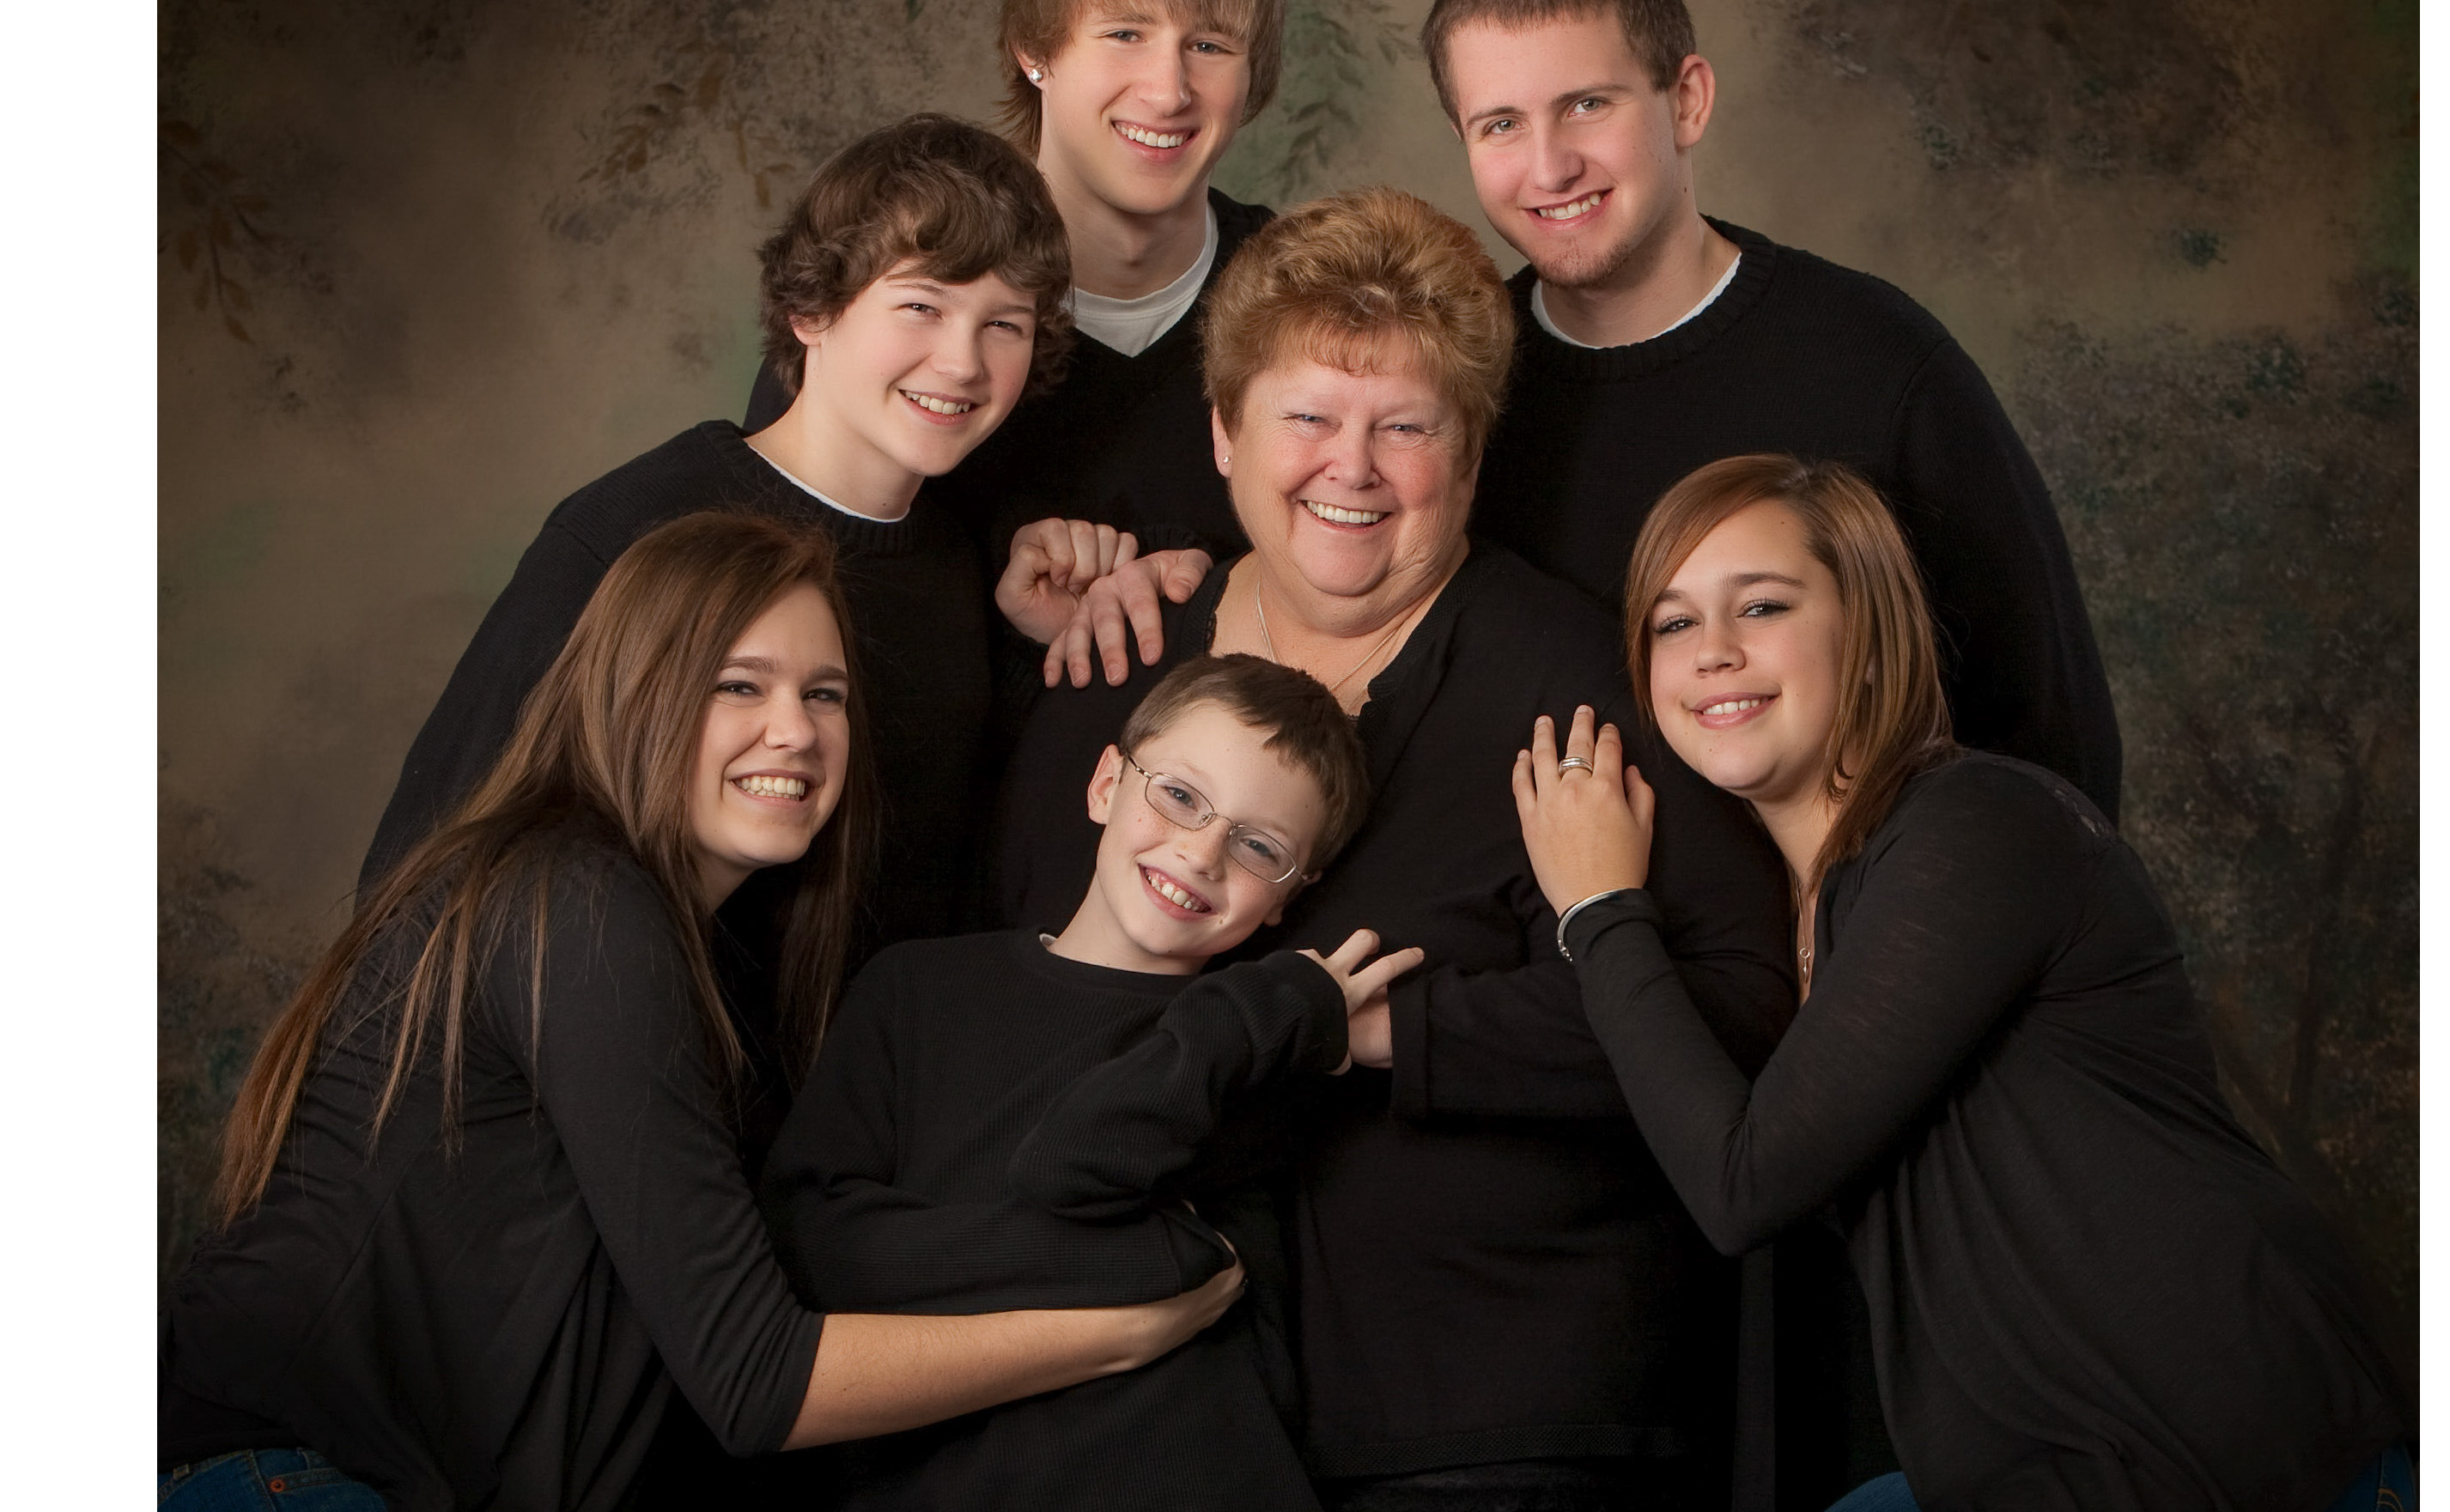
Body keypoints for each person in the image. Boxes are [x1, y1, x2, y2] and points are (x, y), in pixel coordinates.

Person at [161, 513, 1242, 1512]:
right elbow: (756, 1375)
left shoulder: (709, 965)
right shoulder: (571, 902)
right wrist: (1117, 1332)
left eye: (825, 695)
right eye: (740, 684)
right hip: (275, 1476)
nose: (796, 730)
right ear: (637, 692)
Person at [990, 188, 1796, 1510]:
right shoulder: (1118, 664)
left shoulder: (1580, 684)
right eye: (1306, 417)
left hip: (1488, 1406)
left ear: (1471, 458)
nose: (1349, 470)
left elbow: (1738, 1002)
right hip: (1137, 1396)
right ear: (1225, 434)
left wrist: (1367, 1030)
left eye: (1405, 428)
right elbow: (1013, 975)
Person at [1511, 455, 2413, 1512]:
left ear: (1866, 626)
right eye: (1672, 623)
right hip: (2044, 1466)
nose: (1713, 651)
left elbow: (1742, 1181)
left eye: (1762, 605)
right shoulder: (1815, 901)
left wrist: (1599, 910)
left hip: (2236, 1436)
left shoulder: (1974, 828)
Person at [1416, 0, 2122, 825]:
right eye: (1501, 124)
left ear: (1688, 100)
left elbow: (2048, 735)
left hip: (1865, 947)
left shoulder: (1877, 361)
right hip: (1563, 945)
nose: (1549, 166)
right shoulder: (1457, 390)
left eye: (1588, 104)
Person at [365, 112, 1072, 975]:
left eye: (1005, 323)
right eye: (921, 305)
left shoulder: (961, 574)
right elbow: (429, 869)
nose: (962, 361)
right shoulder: (635, 529)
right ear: (812, 310)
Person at [762, 653, 1417, 1509]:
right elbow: (816, 1248)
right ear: (1108, 781)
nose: (1201, 850)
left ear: (1289, 898)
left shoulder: (1249, 1050)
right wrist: (1149, 1252)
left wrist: (1252, 1011)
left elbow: (1071, 1163)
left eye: (1261, 846)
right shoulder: (915, 988)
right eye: (1179, 794)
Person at [747, 0, 1287, 678]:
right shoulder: (888, 301)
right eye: (1124, 32)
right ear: (1035, 48)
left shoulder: (1300, 301)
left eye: (1211, 45)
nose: (1169, 88)